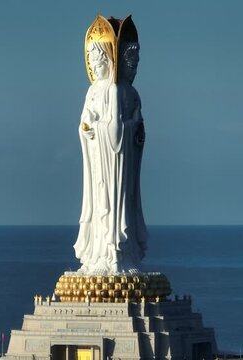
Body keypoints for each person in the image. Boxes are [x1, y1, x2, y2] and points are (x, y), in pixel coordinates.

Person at [73, 35, 147, 275]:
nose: (95, 67)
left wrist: (133, 130)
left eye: (135, 63)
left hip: (122, 162)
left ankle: (122, 255)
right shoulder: (93, 91)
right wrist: (90, 129)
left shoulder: (128, 92)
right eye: (92, 62)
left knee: (122, 204)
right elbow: (84, 125)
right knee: (100, 203)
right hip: (100, 160)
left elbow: (133, 131)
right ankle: (100, 255)